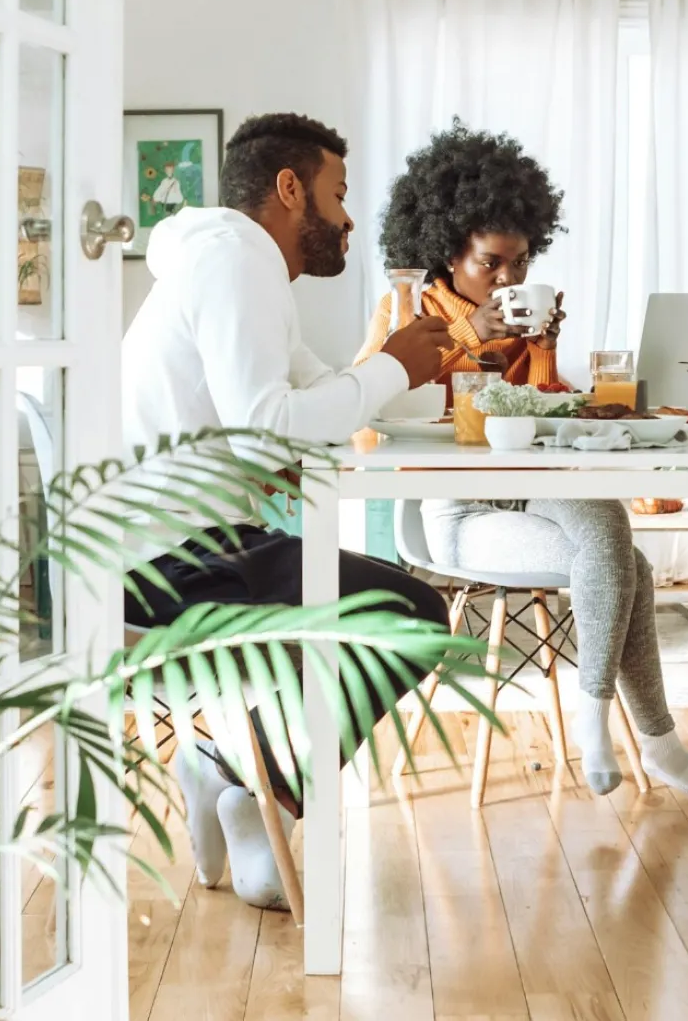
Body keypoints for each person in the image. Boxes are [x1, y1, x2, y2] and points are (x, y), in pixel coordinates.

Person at [122, 112, 455, 910]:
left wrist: (385, 373)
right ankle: (245, 785)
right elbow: (273, 421)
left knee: (392, 604)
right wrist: (389, 367)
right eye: (337, 195)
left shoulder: (231, 264)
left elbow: (305, 398)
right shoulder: (237, 262)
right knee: (412, 615)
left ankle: (234, 775)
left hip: (183, 540)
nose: (345, 220)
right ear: (288, 187)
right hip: (159, 563)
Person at [356, 121, 688, 800]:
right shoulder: (407, 311)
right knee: (627, 563)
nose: (508, 278)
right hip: (459, 508)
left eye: (521, 262)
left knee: (610, 531)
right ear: (446, 251)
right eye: (490, 263)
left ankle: (600, 719)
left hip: (531, 486)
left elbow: (533, 419)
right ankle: (649, 741)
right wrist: (466, 335)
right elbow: (368, 422)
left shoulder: (521, 317)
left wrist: (544, 355)